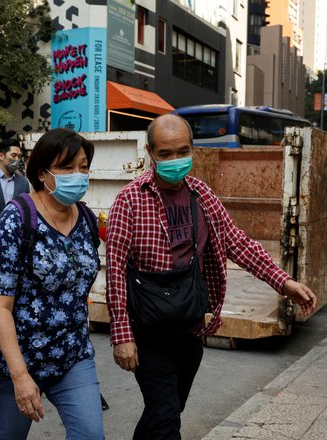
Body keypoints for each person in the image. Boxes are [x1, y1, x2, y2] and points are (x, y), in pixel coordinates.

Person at [105, 114, 317, 440]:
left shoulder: (202, 195)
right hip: (148, 332)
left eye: (182, 151)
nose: (175, 160)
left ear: (192, 148)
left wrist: (284, 283)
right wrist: (122, 336)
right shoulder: (129, 200)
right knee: (165, 420)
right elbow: (115, 270)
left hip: (190, 329)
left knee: (167, 411)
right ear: (150, 152)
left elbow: (238, 243)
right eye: (165, 154)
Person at [0, 128, 105, 440]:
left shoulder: (87, 219)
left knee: (90, 436)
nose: (78, 175)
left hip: (72, 356)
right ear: (42, 173)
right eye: (66, 168)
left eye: (83, 167)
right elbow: (0, 306)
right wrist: (20, 376)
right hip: (18, 361)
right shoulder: (17, 219)